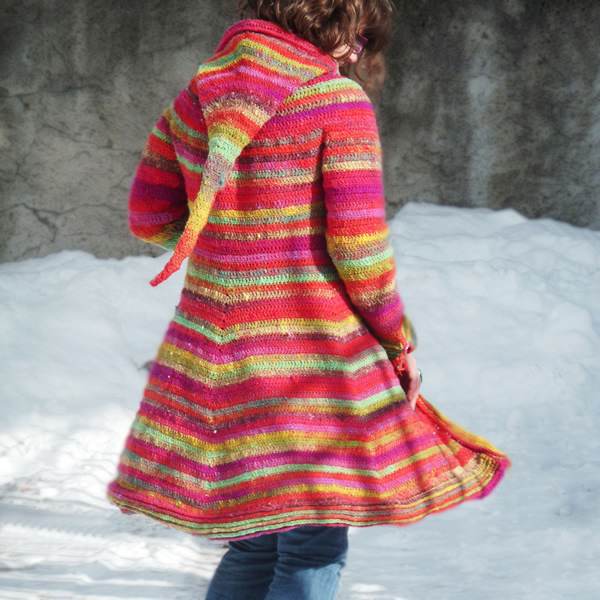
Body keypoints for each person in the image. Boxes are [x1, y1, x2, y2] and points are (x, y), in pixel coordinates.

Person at [105, 2, 512, 599]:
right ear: (333, 24)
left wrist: (229, 246)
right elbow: (359, 252)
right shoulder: (335, 101)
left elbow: (149, 215)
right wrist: (397, 341)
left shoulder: (198, 97)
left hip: (221, 356)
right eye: (358, 38)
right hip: (313, 359)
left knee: (255, 541)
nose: (356, 53)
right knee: (313, 542)